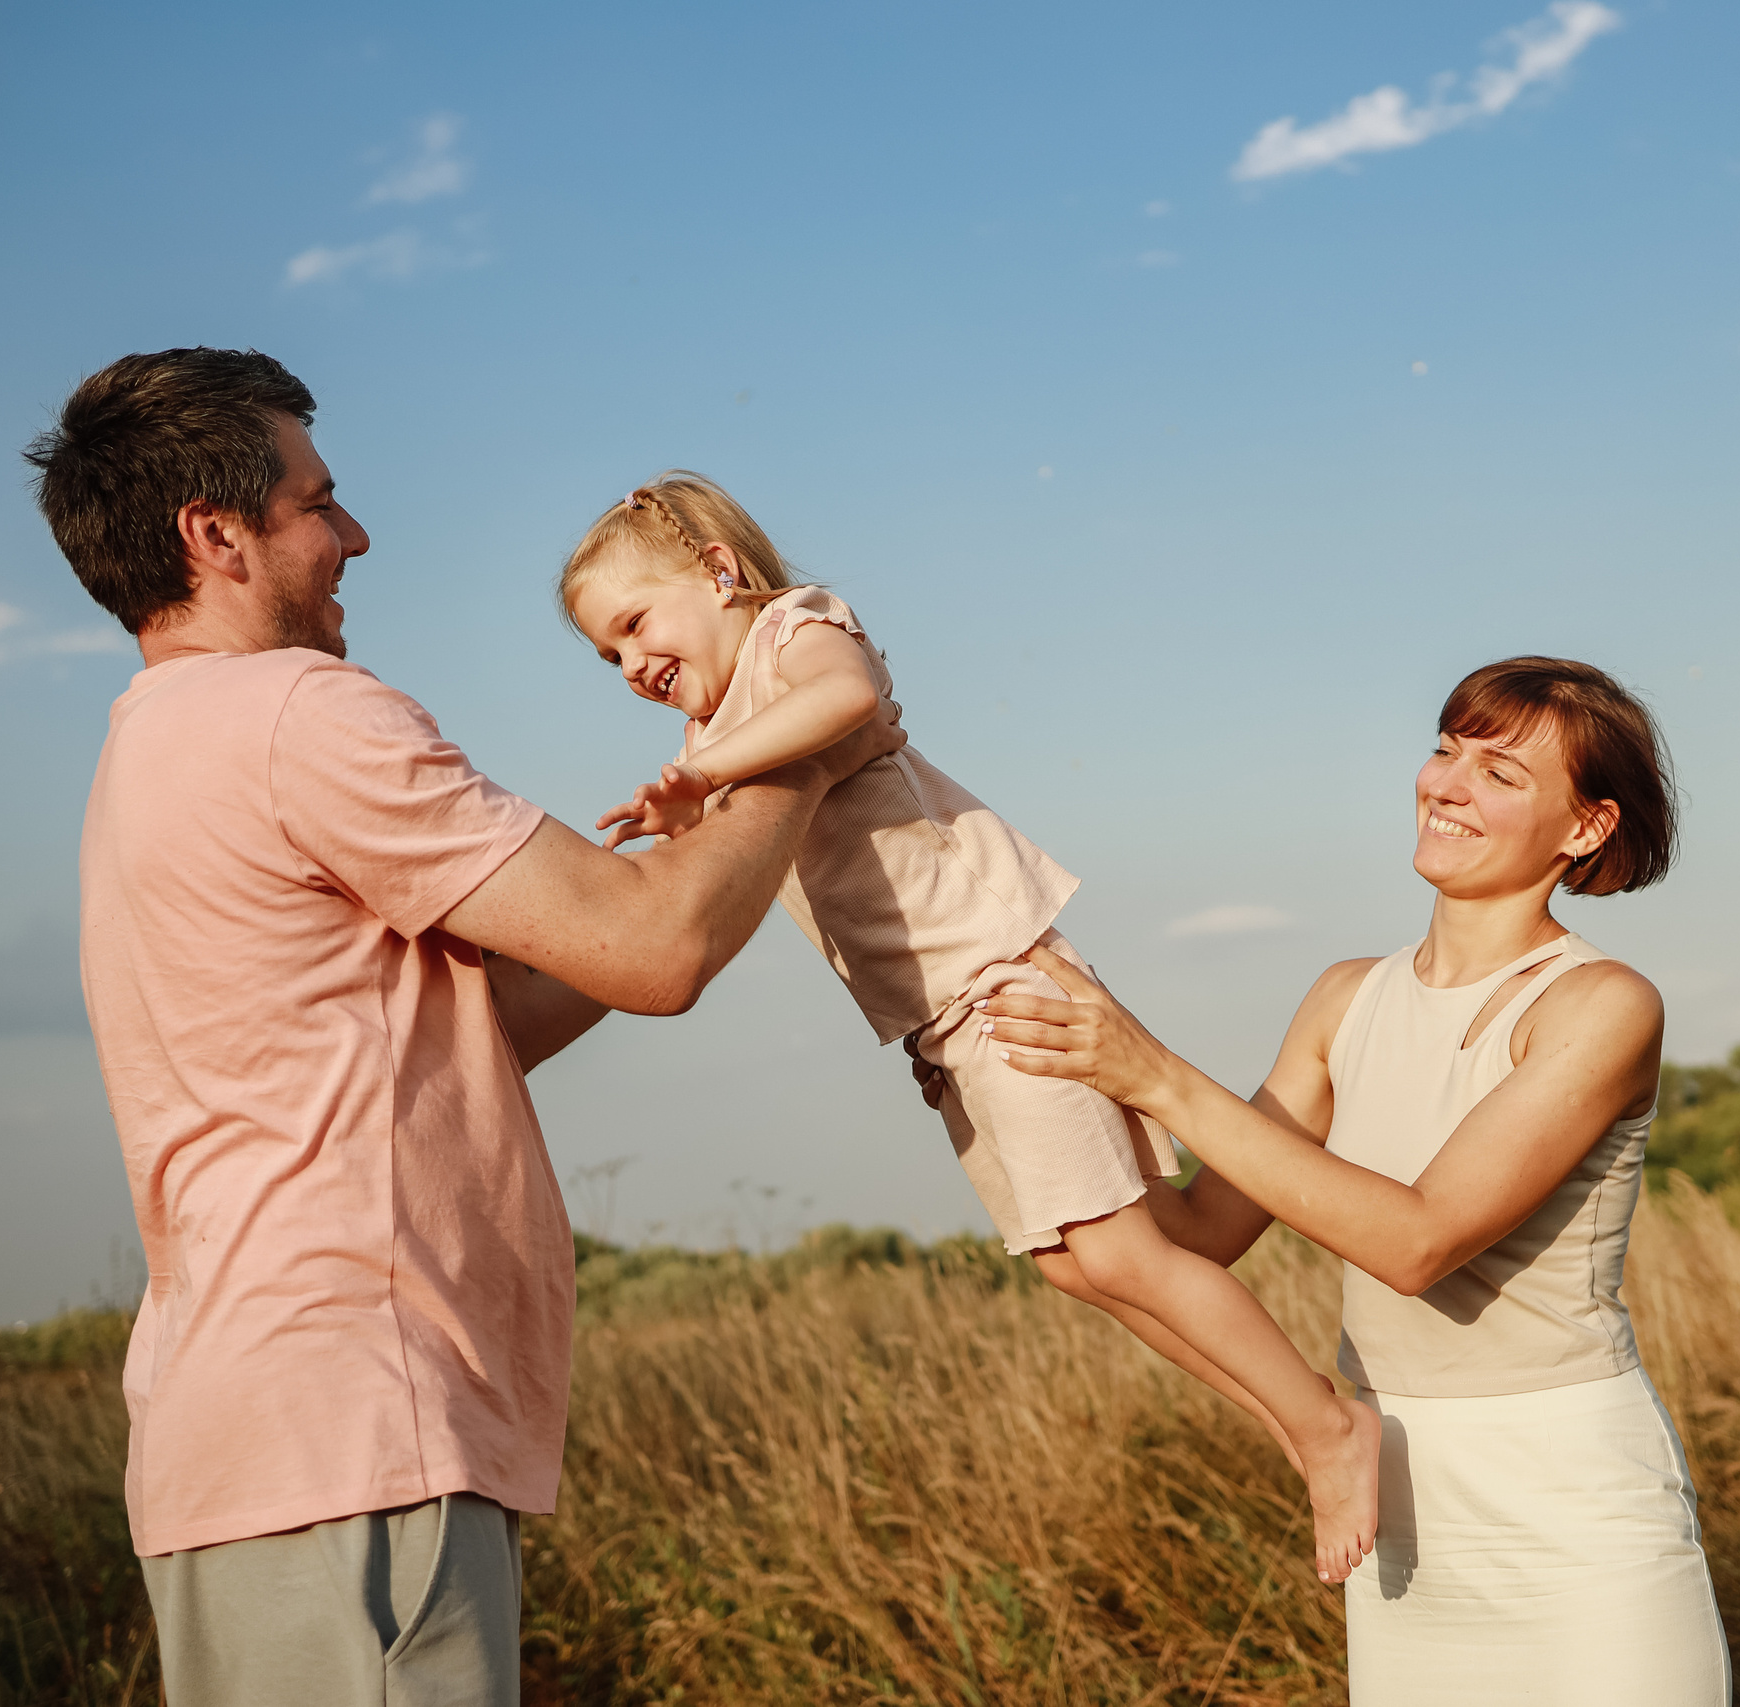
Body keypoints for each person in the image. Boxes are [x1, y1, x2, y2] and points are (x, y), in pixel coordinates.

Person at [23, 351, 903, 1707]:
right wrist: (803, 757)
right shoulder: (297, 714)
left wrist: (679, 867)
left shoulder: (150, 748)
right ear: (215, 534)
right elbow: (657, 948)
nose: (355, 534)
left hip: (253, 1448)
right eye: (318, 502)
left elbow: (495, 1017)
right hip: (352, 1429)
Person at [558, 472, 1381, 1582]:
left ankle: (1328, 1427)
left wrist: (704, 771)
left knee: (1121, 1248)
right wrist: (691, 807)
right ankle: (1296, 1417)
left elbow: (846, 696)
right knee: (1076, 1264)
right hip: (941, 1026)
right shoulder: (719, 729)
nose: (629, 664)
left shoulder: (793, 630)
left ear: (717, 572)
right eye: (606, 655)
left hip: (997, 977)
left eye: (633, 624)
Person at [966, 656, 1733, 1700]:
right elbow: (1194, 1235)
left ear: (1585, 829)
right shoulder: (1343, 999)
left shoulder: (1599, 1005)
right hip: (1393, 1491)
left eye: (1501, 774)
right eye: (1446, 750)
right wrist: (1008, 1092)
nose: (1448, 785)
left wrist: (1152, 1073)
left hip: (1570, 1494)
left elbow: (1418, 1242)